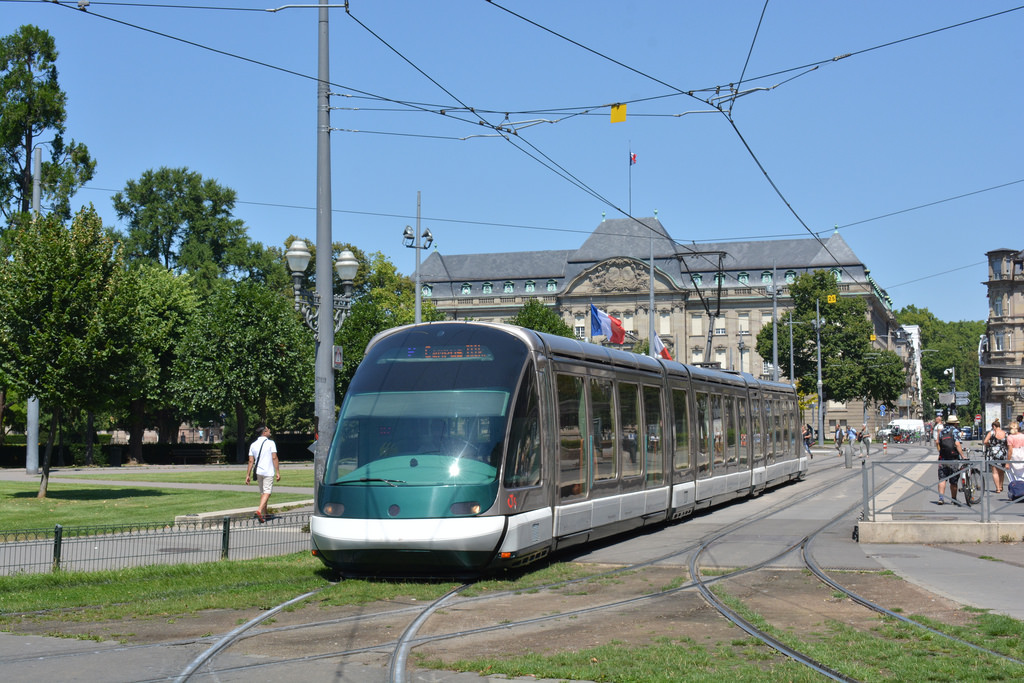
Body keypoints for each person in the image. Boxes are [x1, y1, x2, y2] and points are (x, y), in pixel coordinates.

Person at [246, 425, 280, 523]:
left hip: (258, 472)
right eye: (268, 430)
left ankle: (265, 514)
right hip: (268, 471)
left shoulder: (253, 444)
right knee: (267, 492)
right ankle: (259, 510)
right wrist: (277, 472)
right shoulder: (271, 443)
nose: (270, 431)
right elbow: (274, 457)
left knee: (263, 493)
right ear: (264, 432)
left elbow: (250, 461)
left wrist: (247, 475)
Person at [936, 414, 963, 505]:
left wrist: (941, 452)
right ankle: (953, 499)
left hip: (943, 458)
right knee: (953, 481)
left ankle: (941, 498)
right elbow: (957, 444)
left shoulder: (942, 431)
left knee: (942, 479)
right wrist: (963, 456)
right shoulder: (955, 431)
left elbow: (938, 442)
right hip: (953, 458)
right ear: (955, 423)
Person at [983, 419, 1008, 494]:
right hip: (1003, 452)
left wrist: (990, 445)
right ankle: (1001, 486)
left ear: (994, 426)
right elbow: (1007, 443)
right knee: (1001, 471)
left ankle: (997, 488)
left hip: (993, 452)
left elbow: (985, 441)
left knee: (995, 471)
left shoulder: (991, 433)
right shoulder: (1005, 433)